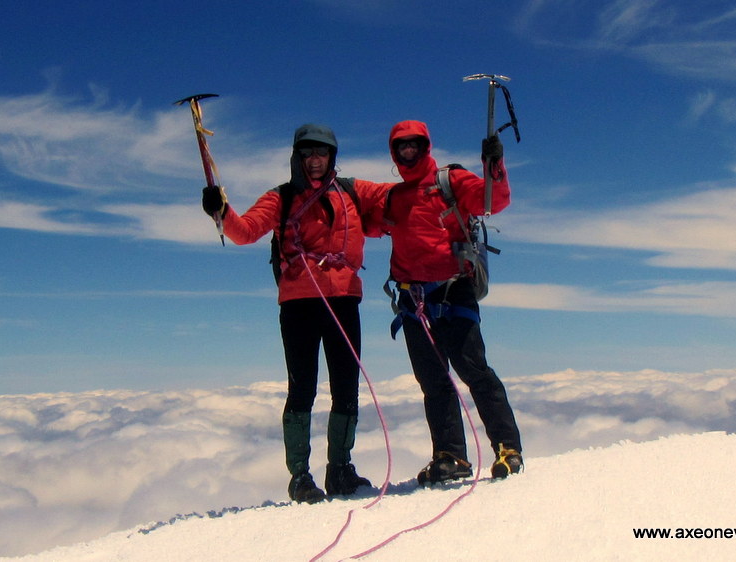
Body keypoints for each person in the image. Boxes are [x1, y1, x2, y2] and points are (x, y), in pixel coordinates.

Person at [201, 124, 393, 503]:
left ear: (332, 157)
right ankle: (301, 477)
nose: (315, 160)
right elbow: (246, 231)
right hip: (300, 303)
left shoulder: (353, 191)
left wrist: (444, 182)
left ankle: (339, 469)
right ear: (297, 157)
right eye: (308, 153)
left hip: (342, 299)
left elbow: (402, 197)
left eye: (321, 153)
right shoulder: (282, 197)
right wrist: (221, 211)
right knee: (302, 387)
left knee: (345, 386)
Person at [379, 119, 523, 484]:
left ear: (425, 147)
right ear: (394, 153)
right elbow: (365, 220)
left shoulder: (450, 182)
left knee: (474, 370)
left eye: (414, 145)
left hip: (453, 289)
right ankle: (451, 454)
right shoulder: (394, 197)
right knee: (433, 380)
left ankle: (508, 447)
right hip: (413, 298)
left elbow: (494, 200)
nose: (408, 152)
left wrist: (494, 166)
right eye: (401, 147)